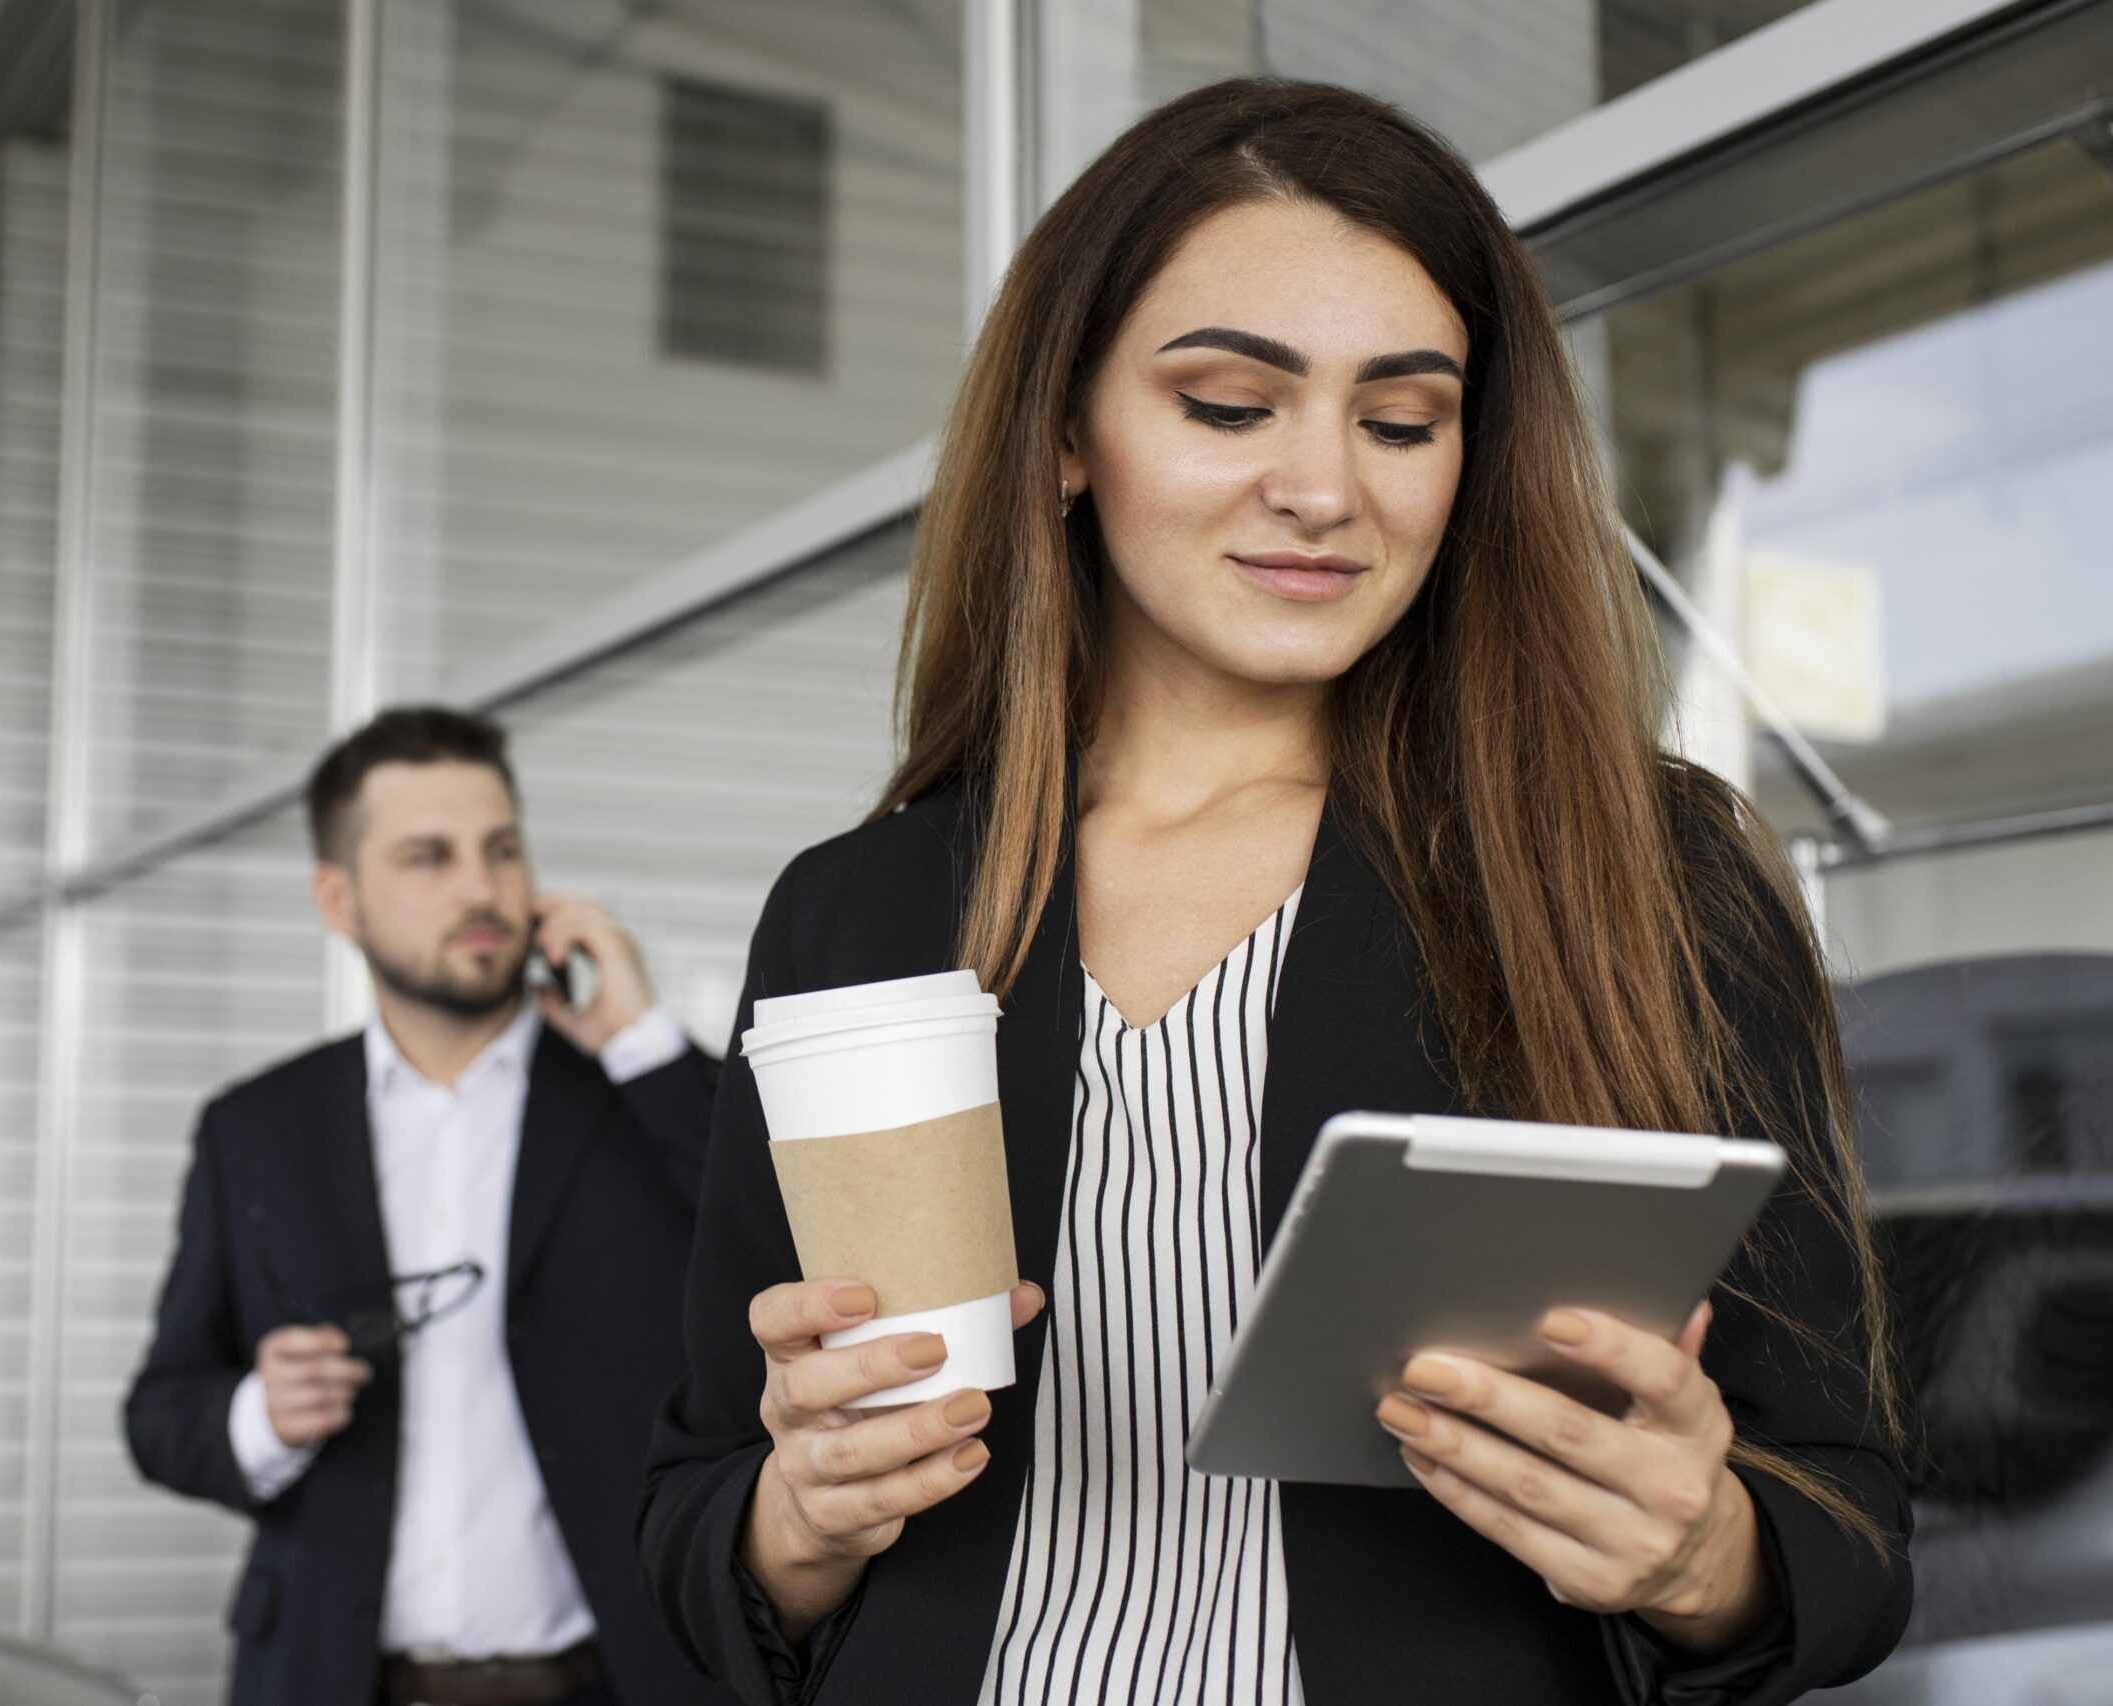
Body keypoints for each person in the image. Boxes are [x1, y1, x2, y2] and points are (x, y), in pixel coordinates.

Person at [641, 80, 1910, 1706]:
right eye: (1232, 405)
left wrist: (1700, 1554)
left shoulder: (1636, 876)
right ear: (1064, 439)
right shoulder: (856, 911)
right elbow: (697, 1504)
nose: (1325, 487)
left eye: (1402, 422)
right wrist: (801, 1514)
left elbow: (1846, 1523)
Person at [125, 706, 734, 1706]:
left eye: (502, 849)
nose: (481, 888)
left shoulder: (640, 1094)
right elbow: (160, 1411)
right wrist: (259, 1416)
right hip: (329, 1680)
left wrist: (644, 1040)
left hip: (621, 1682)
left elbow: (785, 1240)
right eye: (429, 856)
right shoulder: (256, 1129)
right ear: (339, 898)